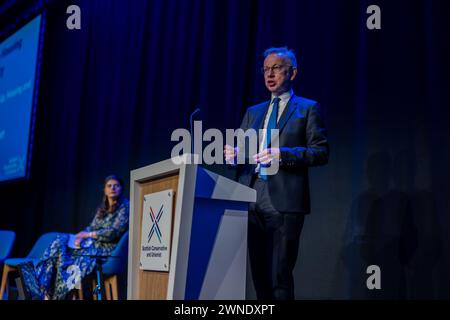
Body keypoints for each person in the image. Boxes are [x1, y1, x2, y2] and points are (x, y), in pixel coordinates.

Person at [224, 47, 329, 300]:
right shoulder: (253, 112)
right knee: (259, 274)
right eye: (266, 69)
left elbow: (321, 152)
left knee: (281, 275)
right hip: (251, 194)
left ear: (292, 73)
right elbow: (242, 151)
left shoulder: (307, 108)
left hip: (284, 199)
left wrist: (282, 154)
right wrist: (234, 156)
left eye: (277, 68)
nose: (269, 74)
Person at [19, 175, 129, 300]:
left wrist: (87, 235)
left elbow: (114, 232)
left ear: (121, 188)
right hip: (90, 244)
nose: (112, 188)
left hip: (105, 249)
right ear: (104, 189)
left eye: (116, 185)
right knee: (60, 242)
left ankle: (44, 291)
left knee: (67, 256)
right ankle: (45, 292)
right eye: (109, 185)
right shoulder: (102, 209)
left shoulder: (125, 207)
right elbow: (90, 227)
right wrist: (78, 236)